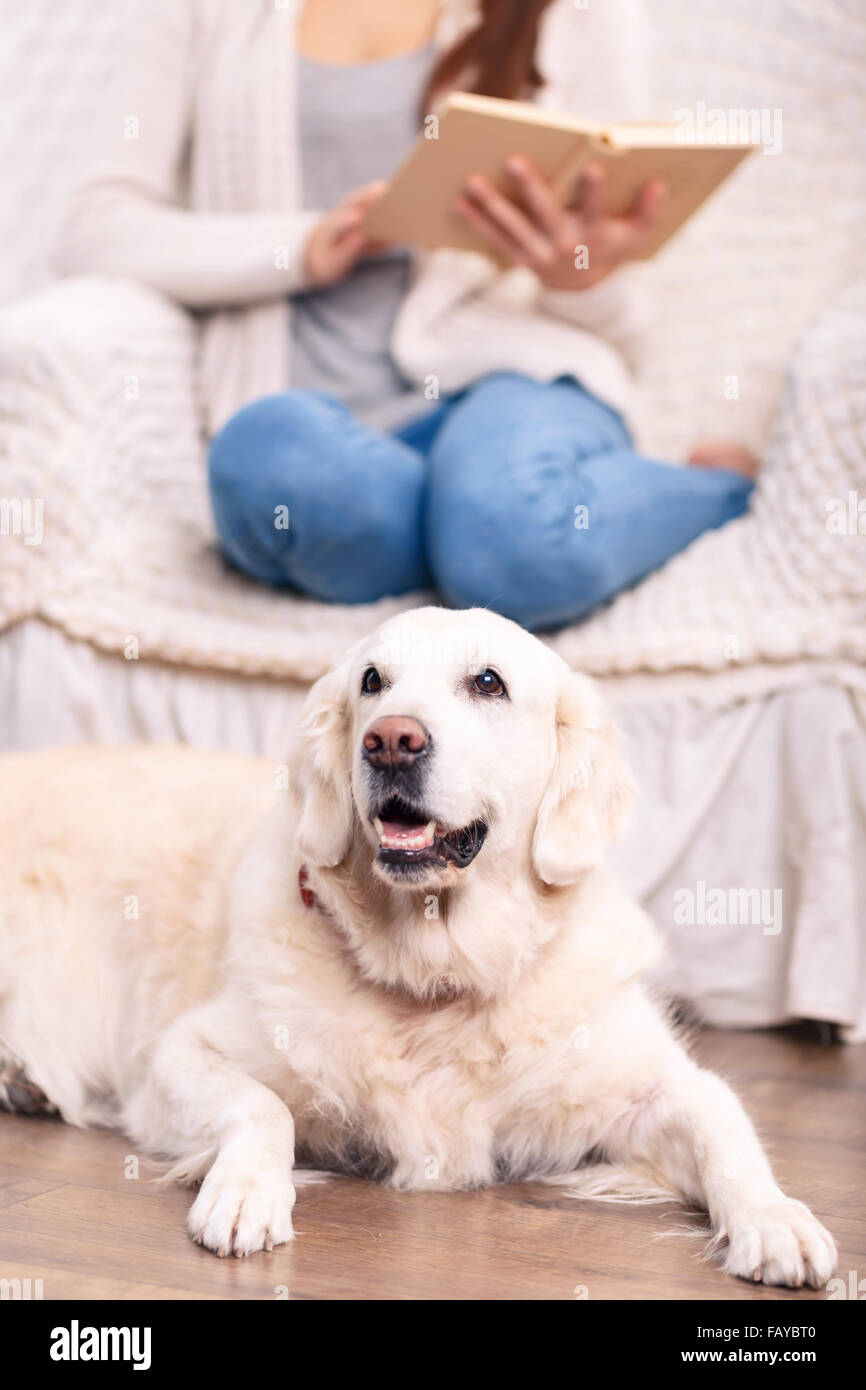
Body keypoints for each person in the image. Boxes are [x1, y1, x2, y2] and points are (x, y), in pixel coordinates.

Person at [58, 0, 756, 631]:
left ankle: (711, 493)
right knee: (266, 456)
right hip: (338, 448)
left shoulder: (578, 15)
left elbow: (624, 327)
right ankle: (467, 537)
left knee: (513, 534)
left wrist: (575, 273)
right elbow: (95, 230)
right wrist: (297, 248)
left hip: (511, 384)